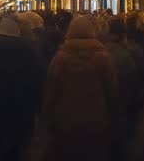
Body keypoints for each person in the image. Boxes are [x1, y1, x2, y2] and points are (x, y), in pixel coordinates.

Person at [41, 16, 119, 161]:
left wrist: (48, 117)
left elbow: (52, 89)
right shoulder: (103, 57)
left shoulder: (61, 57)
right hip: (96, 119)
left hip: (66, 119)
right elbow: (111, 89)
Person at [0, 15, 42, 161]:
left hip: (0, 97)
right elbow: (35, 75)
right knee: (20, 131)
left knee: (3, 130)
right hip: (22, 98)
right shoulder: (27, 48)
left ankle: (5, 154)